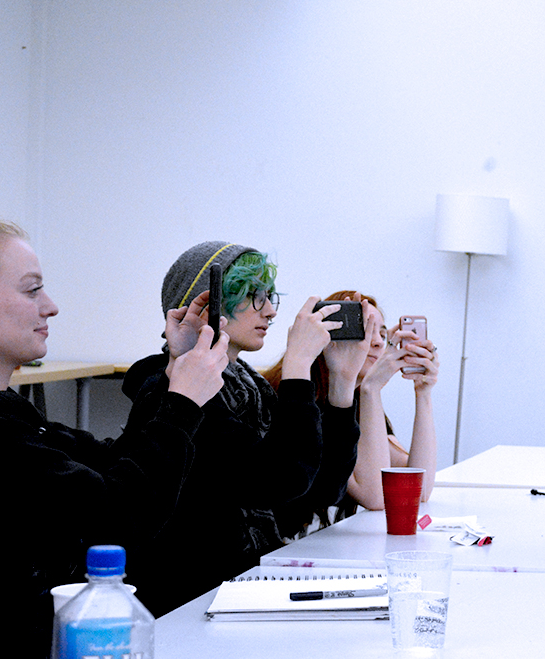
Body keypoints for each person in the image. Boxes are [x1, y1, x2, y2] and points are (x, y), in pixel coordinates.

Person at [0, 179, 229, 657]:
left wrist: (174, 372)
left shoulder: (2, 409)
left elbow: (115, 468)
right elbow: (116, 518)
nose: (50, 306)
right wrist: (183, 403)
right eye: (31, 291)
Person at [121, 242, 369, 616]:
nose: (269, 311)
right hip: (188, 603)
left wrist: (342, 382)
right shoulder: (174, 392)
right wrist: (298, 365)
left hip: (242, 588)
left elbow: (322, 490)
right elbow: (280, 480)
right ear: (206, 304)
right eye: (254, 296)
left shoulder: (248, 388)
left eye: (269, 296)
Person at [264, 290, 438, 525]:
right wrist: (372, 389)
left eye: (383, 334)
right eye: (365, 331)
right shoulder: (301, 402)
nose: (377, 342)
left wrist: (423, 393)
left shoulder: (357, 401)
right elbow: (376, 495)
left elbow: (419, 488)